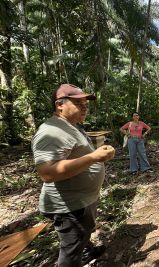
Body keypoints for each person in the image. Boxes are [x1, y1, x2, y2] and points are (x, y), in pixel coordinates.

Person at [31, 84, 116, 267]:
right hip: (69, 207)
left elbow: (78, 157)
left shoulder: (71, 126)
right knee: (70, 253)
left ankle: (87, 249)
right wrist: (94, 157)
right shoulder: (51, 131)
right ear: (59, 105)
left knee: (82, 233)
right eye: (78, 102)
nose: (85, 106)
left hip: (81, 200)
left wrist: (97, 157)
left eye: (85, 102)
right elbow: (47, 172)